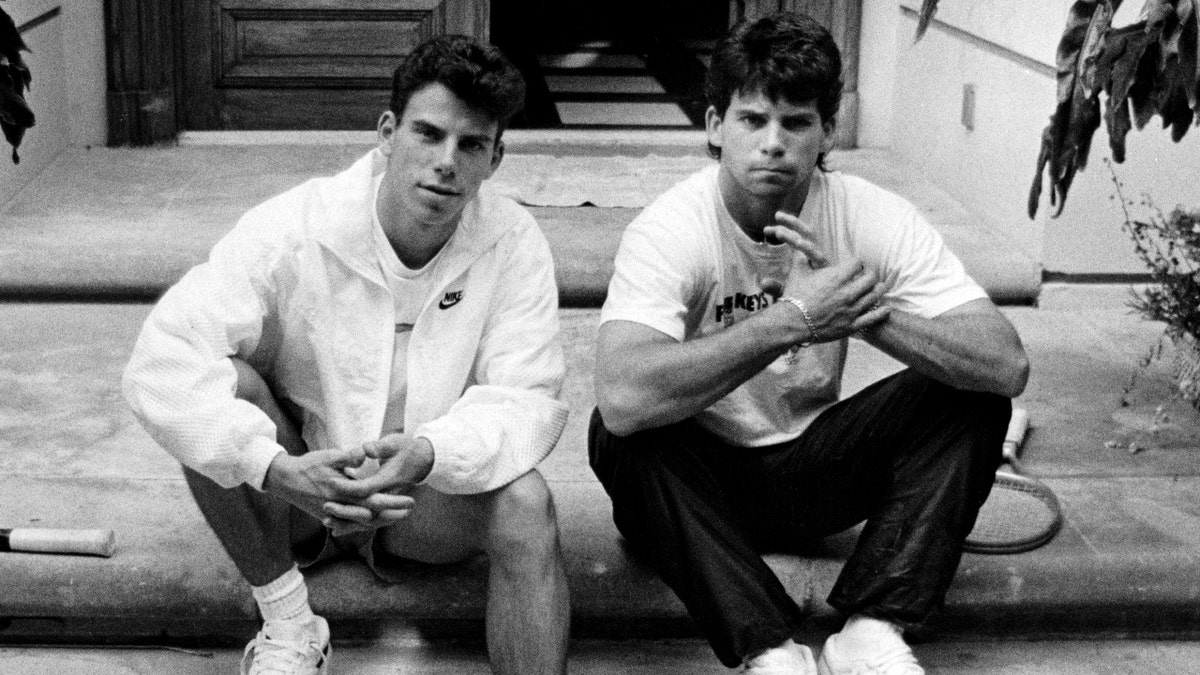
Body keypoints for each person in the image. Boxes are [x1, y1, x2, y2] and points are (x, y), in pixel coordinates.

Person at [589, 12, 1029, 675]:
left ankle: (872, 630)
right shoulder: (671, 228)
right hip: (701, 481)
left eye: (796, 123)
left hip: (816, 471)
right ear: (714, 127)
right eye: (752, 120)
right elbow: (622, 395)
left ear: (826, 130)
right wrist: (794, 317)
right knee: (618, 432)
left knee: (973, 398)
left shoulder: (869, 214)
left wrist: (862, 311)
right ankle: (772, 647)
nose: (773, 143)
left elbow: (1005, 362)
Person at [123, 35, 570, 675]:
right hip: (300, 492)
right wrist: (276, 467)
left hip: (417, 500)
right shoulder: (295, 225)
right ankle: (289, 625)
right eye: (428, 133)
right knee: (217, 391)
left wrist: (427, 453)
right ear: (388, 132)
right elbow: (161, 364)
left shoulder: (514, 242)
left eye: (471, 145)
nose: (447, 161)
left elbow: (530, 397)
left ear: (495, 160)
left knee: (528, 501)